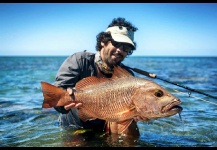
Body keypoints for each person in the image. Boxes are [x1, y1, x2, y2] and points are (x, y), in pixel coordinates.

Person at [54, 17, 149, 136]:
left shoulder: (128, 76)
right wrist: (65, 99)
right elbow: (55, 97)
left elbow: (128, 113)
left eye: (126, 48)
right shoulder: (79, 60)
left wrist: (139, 114)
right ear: (103, 42)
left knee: (131, 133)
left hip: (105, 128)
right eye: (116, 43)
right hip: (74, 125)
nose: (120, 50)